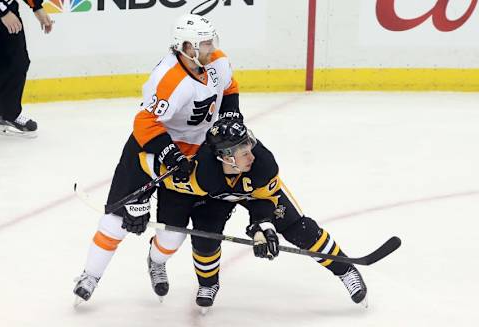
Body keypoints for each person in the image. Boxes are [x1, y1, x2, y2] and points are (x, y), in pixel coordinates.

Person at [72, 13, 242, 305]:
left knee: (173, 236)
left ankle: (156, 261)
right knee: (116, 221)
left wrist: (230, 114)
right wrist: (170, 153)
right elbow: (145, 123)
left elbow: (229, 87)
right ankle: (90, 275)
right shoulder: (168, 78)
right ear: (186, 47)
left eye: (211, 41)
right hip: (149, 147)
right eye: (203, 43)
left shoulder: (217, 61)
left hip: (196, 151)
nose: (210, 48)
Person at [140, 119, 368, 311]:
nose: (252, 155)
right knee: (205, 238)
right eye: (244, 153)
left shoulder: (264, 165)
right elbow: (147, 168)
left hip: (258, 194)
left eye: (250, 147)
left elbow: (265, 201)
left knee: (299, 229)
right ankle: (208, 283)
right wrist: (137, 203)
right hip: (215, 198)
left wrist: (263, 229)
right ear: (226, 157)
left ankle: (345, 269)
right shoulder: (202, 174)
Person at [0, 0, 54, 137]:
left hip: (8, 10)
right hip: (4, 11)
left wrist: (36, 7)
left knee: (17, 62)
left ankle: (6, 114)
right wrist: (3, 12)